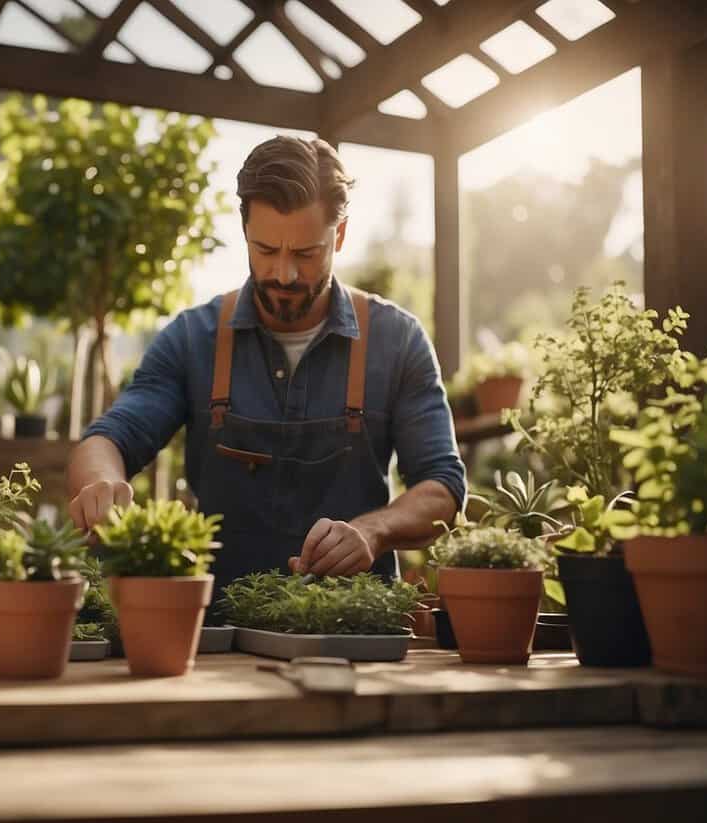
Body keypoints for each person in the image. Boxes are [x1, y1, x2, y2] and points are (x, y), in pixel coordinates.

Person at [67, 136, 465, 592]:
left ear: (339, 234)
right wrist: (100, 483)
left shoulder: (398, 341)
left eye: (305, 254)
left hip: (357, 633)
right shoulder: (193, 338)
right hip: (216, 635)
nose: (283, 274)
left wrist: (374, 532)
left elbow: (443, 487)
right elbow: (107, 440)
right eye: (265, 249)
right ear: (244, 232)